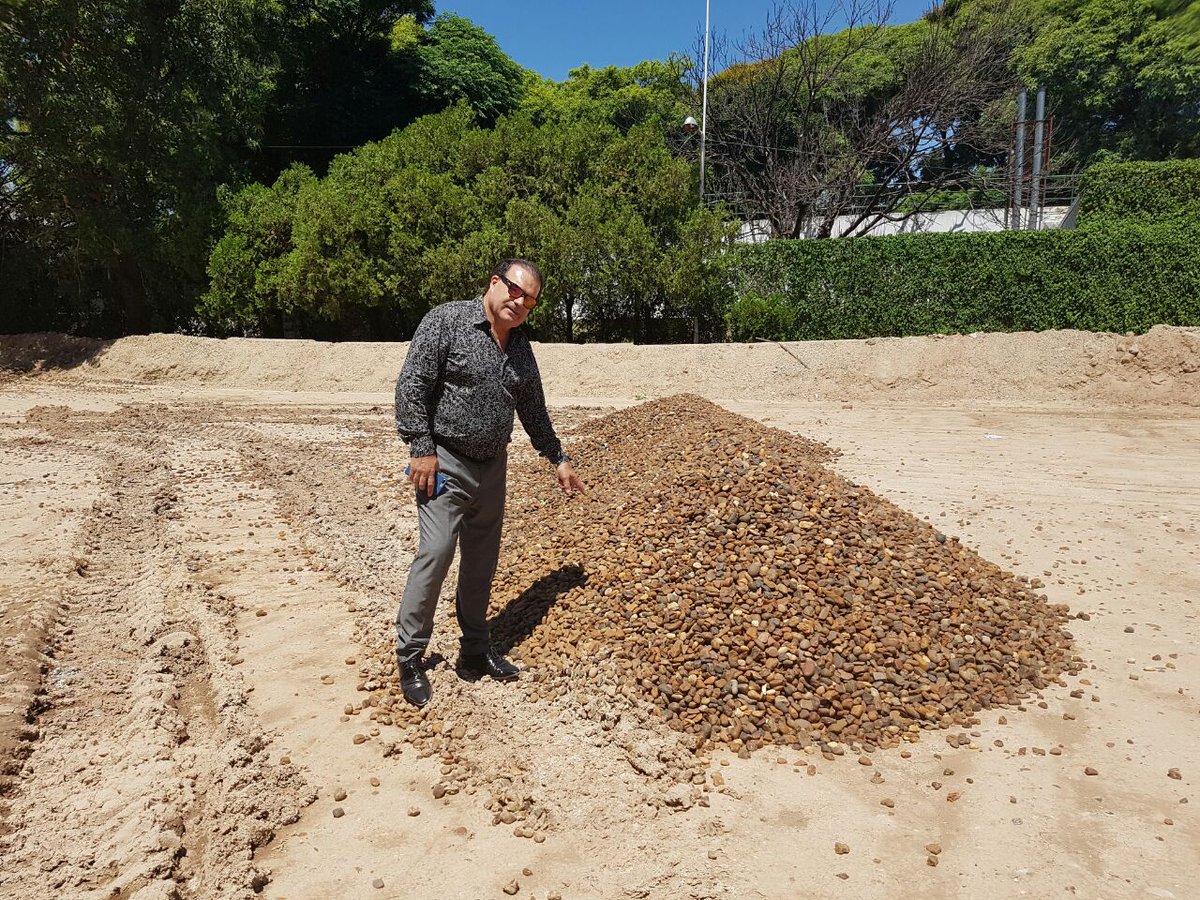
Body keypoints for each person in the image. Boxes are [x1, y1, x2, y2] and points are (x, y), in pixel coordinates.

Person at [392, 258, 585, 707]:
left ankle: (475, 649)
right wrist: (420, 447)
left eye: (530, 300)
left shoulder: (519, 347)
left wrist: (557, 457)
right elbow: (412, 384)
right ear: (495, 282)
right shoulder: (448, 321)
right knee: (436, 553)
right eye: (515, 291)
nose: (520, 303)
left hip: (493, 465)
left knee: (482, 560)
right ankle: (410, 655)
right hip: (444, 461)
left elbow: (532, 407)